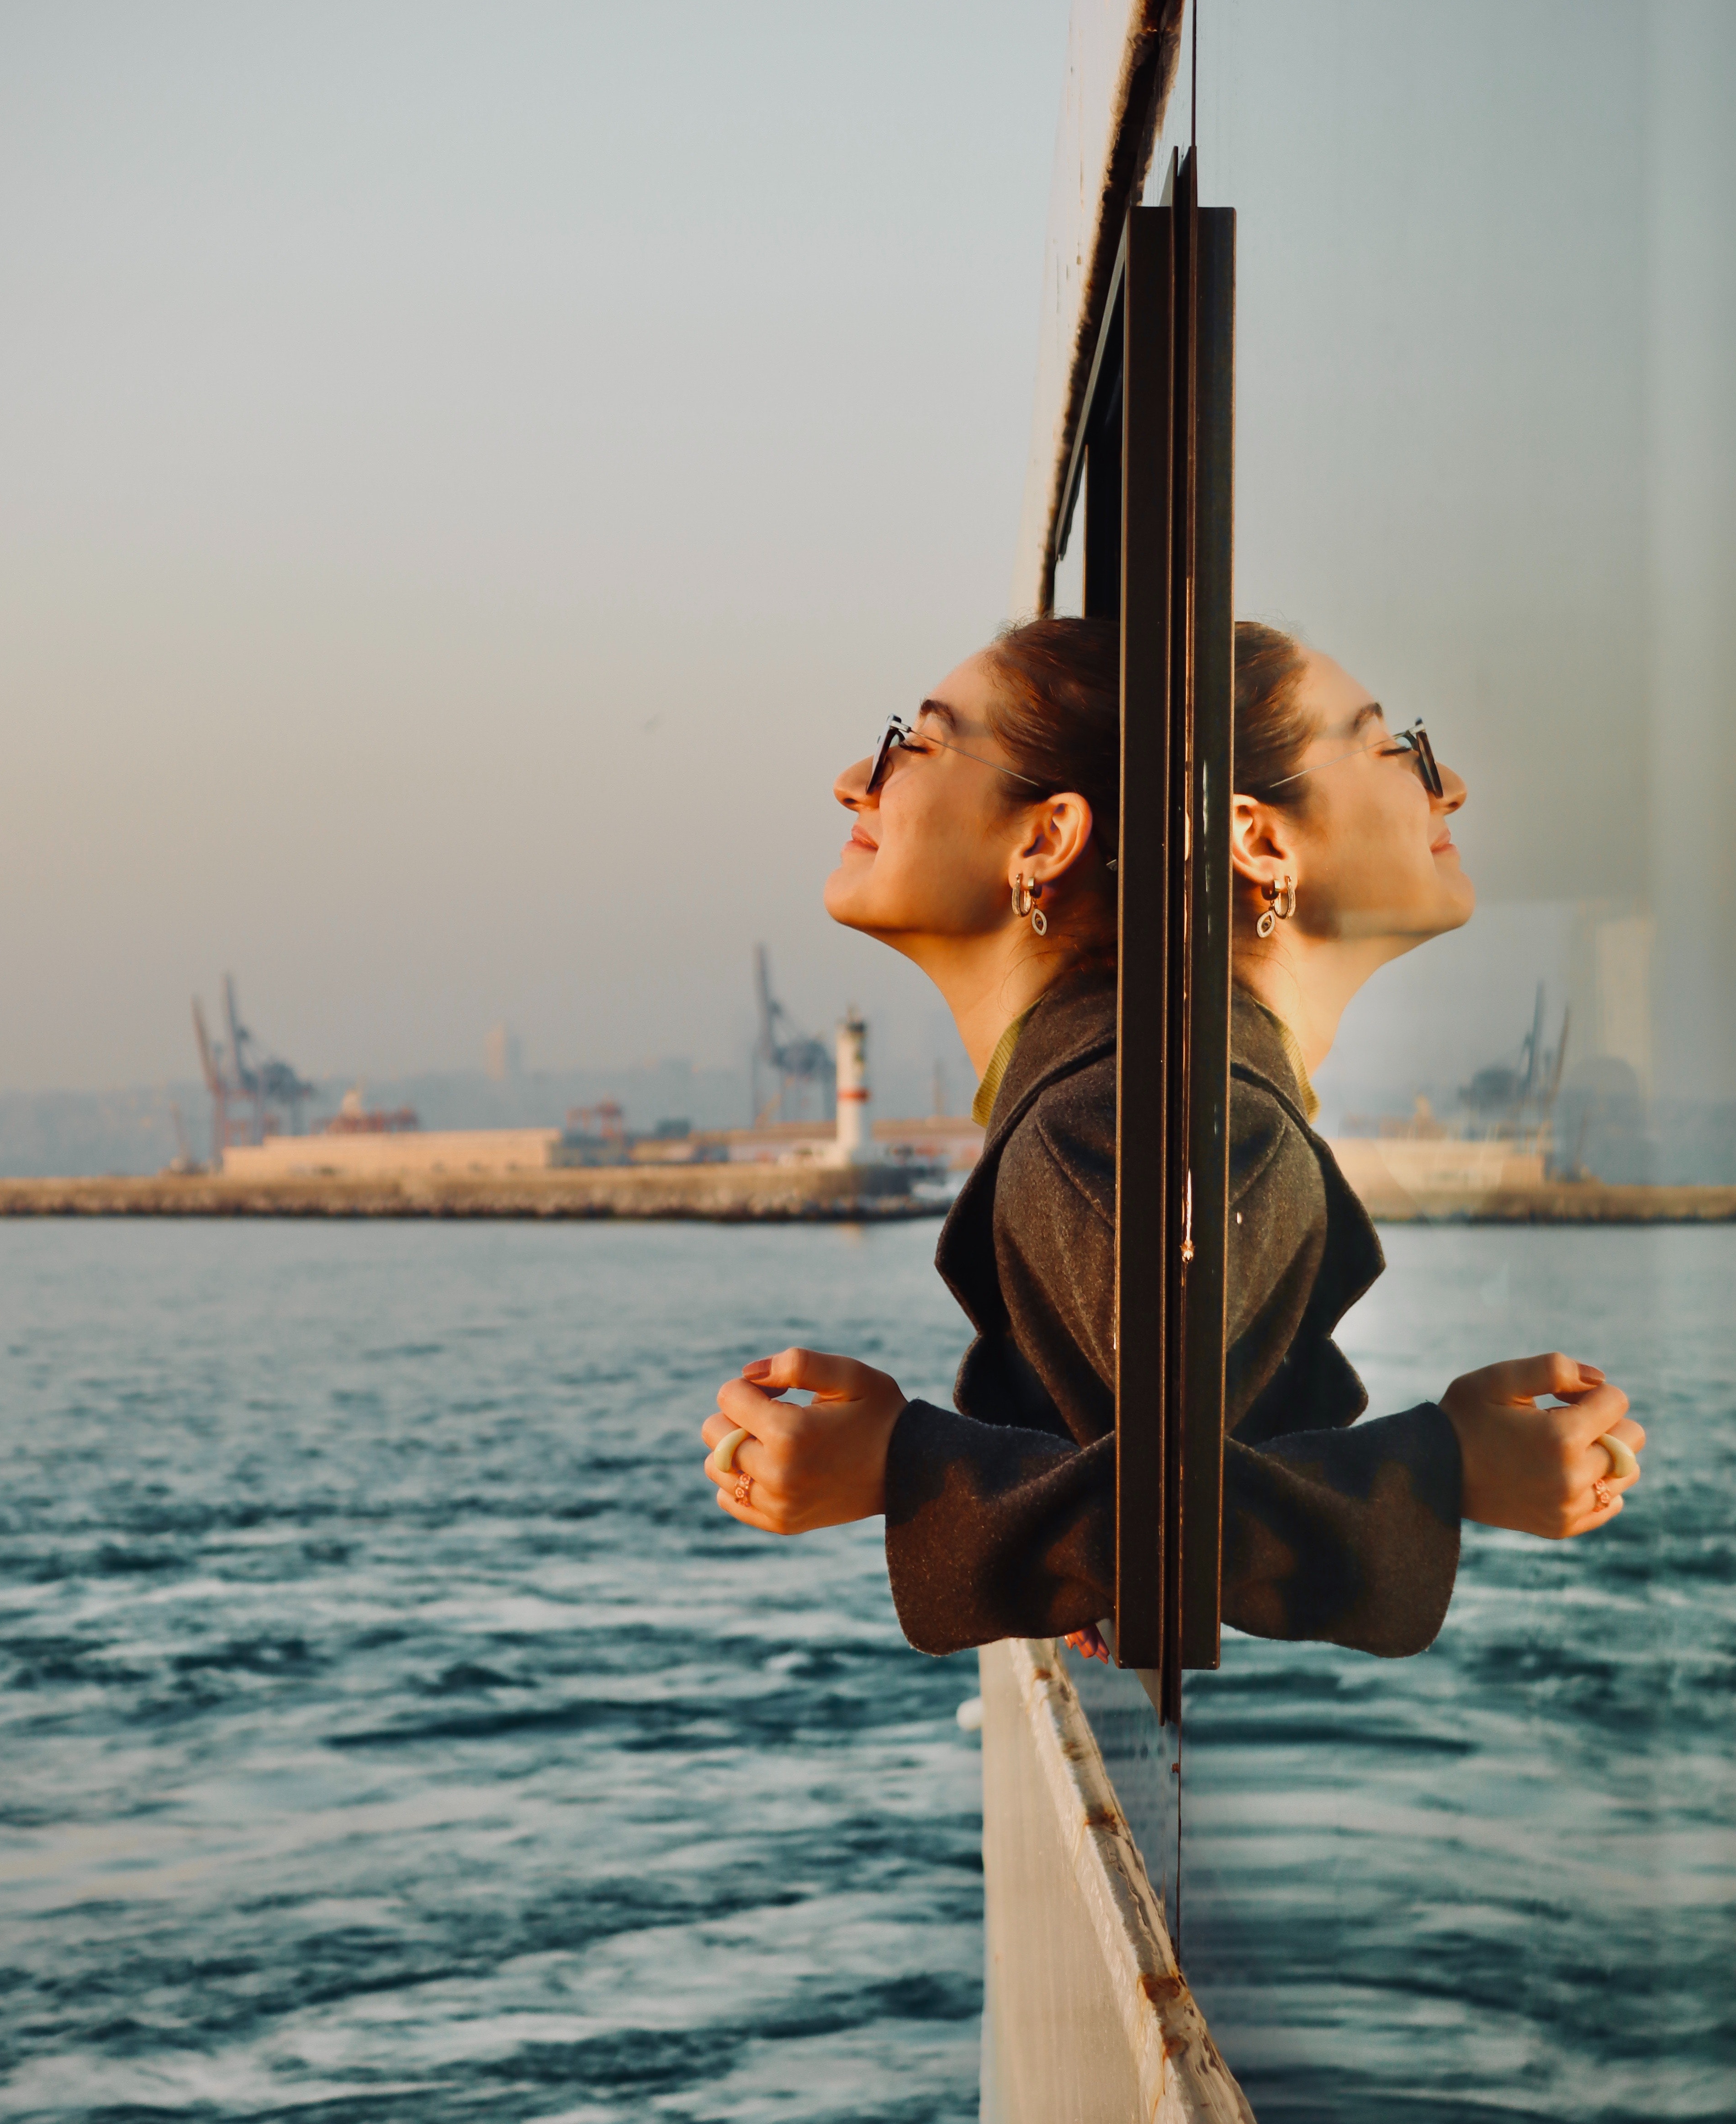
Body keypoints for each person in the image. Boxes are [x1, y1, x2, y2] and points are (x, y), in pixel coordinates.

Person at [699, 618, 1646, 1660]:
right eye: (1398, 751)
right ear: (1258, 841)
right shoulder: (1141, 1110)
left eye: (907, 748)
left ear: (1049, 840)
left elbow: (1176, 1503)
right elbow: (1171, 1495)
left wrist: (915, 1469)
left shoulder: (1127, 1109)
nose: (851, 780)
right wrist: (1450, 1465)